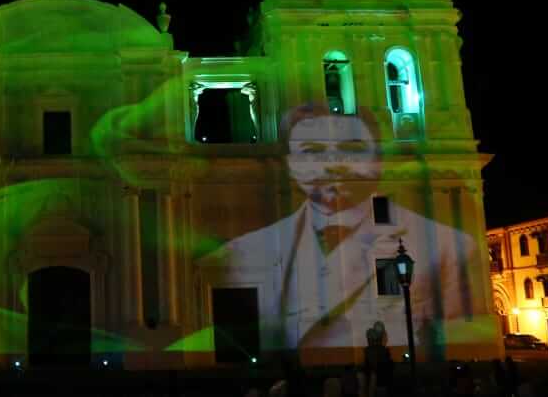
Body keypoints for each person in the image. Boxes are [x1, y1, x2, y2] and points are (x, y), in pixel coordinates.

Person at [202, 104, 480, 353]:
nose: (333, 165)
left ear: (377, 160)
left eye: (352, 149)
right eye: (312, 151)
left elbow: (461, 321)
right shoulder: (243, 251)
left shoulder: (450, 246)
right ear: (289, 164)